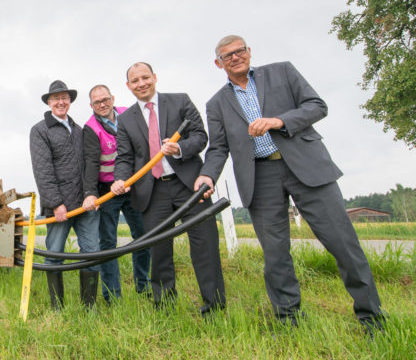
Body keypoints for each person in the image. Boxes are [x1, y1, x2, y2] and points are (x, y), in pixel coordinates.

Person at [194, 35, 384, 332]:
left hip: (307, 168)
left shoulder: (283, 71)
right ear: (218, 63)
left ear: (249, 51)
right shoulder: (216, 103)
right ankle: (288, 320)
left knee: (343, 244)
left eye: (239, 51)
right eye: (227, 55)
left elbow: (317, 106)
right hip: (260, 176)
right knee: (275, 253)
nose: (235, 57)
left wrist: (278, 121)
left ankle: (371, 317)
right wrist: (208, 174)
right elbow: (218, 147)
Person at [111, 62, 226, 316]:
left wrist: (180, 148)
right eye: (135, 80)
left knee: (205, 245)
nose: (141, 83)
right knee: (159, 250)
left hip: (189, 186)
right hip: (152, 192)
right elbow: (124, 157)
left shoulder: (180, 101)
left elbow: (200, 136)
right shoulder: (126, 119)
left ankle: (214, 307)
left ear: (155, 77)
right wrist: (120, 179)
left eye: (145, 78)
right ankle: (164, 307)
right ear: (128, 86)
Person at [29, 80, 100, 309]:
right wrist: (55, 203)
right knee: (54, 254)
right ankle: (57, 308)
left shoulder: (80, 130)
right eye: (56, 98)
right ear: (49, 103)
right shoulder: (40, 130)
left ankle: (88, 308)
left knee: (91, 253)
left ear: (70, 102)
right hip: (60, 207)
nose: (61, 102)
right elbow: (43, 170)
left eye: (65, 98)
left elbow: (90, 164)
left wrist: (92, 194)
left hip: (86, 204)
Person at [82, 84, 150, 303]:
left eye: (105, 99)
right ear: (91, 105)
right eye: (97, 102)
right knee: (107, 244)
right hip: (107, 192)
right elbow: (91, 162)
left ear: (112, 98)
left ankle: (144, 285)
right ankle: (112, 295)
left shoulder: (129, 113)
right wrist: (91, 193)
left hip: (133, 186)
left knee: (143, 236)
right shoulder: (90, 128)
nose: (102, 105)